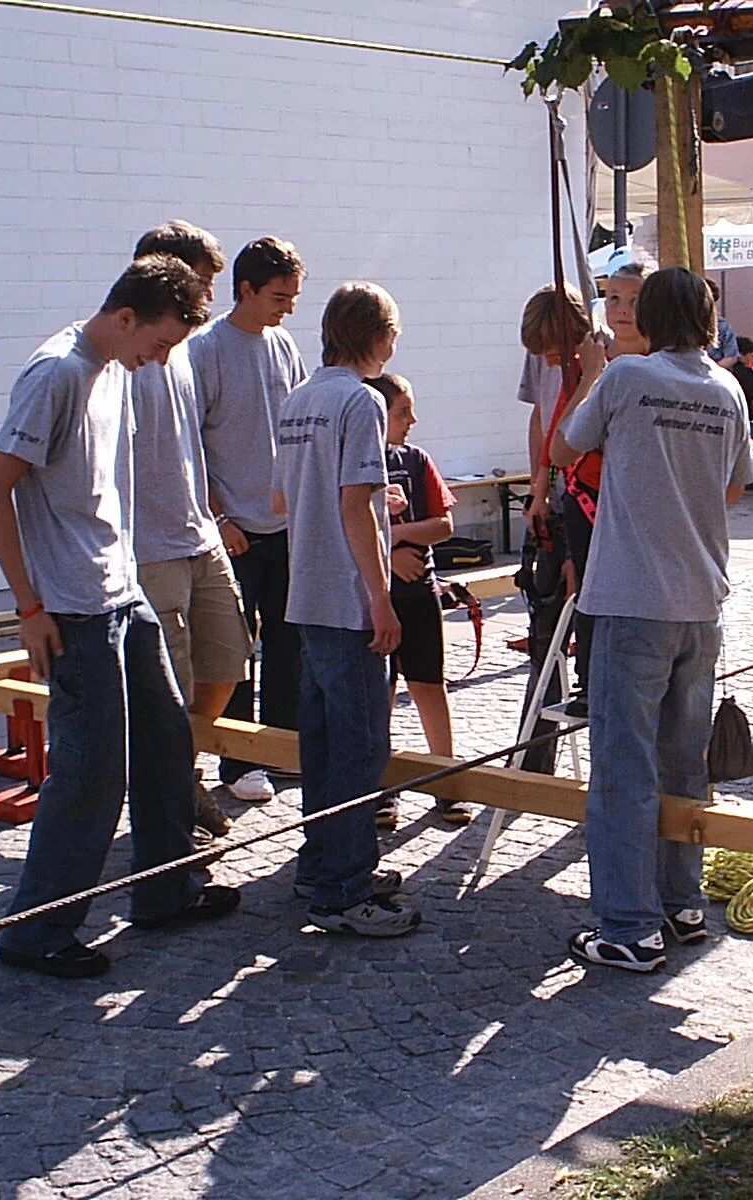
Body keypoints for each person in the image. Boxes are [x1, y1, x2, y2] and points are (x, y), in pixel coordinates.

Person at [0, 256, 240, 980]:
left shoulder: (119, 367)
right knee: (90, 772)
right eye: (160, 343)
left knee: (165, 740)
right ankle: (37, 933)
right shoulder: (56, 373)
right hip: (72, 607)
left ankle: (165, 890)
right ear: (125, 317)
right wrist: (30, 606)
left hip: (124, 591)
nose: (162, 360)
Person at [550, 266, 753, 972]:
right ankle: (680, 904)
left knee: (622, 769)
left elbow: (563, 450)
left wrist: (591, 371)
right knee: (683, 764)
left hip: (633, 600)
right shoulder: (726, 387)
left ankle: (628, 928)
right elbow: (735, 486)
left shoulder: (627, 377)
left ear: (652, 318)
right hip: (700, 602)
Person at [277, 281, 420, 937]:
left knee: (322, 744)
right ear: (378, 335)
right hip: (347, 595)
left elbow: (283, 498)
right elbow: (354, 505)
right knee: (361, 748)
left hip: (305, 589)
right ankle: (346, 890)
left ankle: (322, 865)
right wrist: (381, 597)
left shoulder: (299, 398)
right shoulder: (362, 400)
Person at [128, 221, 250, 843]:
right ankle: (172, 807)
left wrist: (217, 516)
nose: (210, 296)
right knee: (166, 686)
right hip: (150, 548)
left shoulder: (182, 353)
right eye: (202, 282)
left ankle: (185, 770)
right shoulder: (127, 357)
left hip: (200, 534)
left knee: (229, 660)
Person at [191, 237, 308, 805]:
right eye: (279, 297)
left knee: (289, 642)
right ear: (246, 290)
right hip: (233, 528)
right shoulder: (206, 349)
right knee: (233, 650)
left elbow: (301, 425)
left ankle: (282, 748)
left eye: (294, 297)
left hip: (286, 525)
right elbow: (188, 445)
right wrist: (218, 516)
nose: (288, 308)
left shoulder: (284, 345)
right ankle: (238, 762)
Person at [371, 371, 474, 828]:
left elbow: (443, 525)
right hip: (376, 598)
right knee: (380, 692)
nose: (412, 420)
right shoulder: (353, 464)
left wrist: (396, 535)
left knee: (429, 685)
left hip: (420, 595)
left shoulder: (416, 460)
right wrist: (388, 555)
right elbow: (345, 525)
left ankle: (446, 781)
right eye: (402, 412)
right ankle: (381, 788)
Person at [557, 262, 648, 718]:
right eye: (614, 299)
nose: (622, 310)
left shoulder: (659, 364)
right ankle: (590, 680)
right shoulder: (592, 362)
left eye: (634, 300)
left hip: (637, 498)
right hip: (587, 493)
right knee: (589, 587)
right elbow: (559, 434)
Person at [515, 282, 593, 773]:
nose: (546, 361)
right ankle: (532, 763)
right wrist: (538, 487)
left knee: (585, 631)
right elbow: (542, 419)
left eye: (553, 353)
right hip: (556, 499)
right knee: (544, 638)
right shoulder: (543, 352)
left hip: (587, 502)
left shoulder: (597, 362)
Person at [705, 278, 740, 369]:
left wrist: (712, 370)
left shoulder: (722, 325)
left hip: (714, 372)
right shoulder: (683, 324)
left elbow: (731, 357)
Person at [731, 336, 753, 421]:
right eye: (750, 353)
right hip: (746, 417)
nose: (752, 357)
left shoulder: (725, 371)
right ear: (741, 355)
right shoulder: (748, 373)